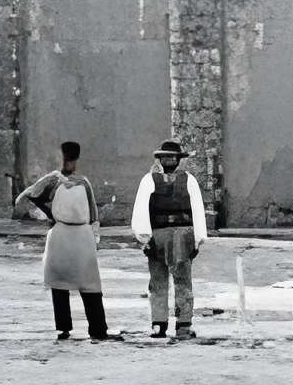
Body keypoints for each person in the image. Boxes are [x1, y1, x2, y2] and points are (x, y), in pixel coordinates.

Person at [17, 141, 113, 341]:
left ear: (76, 160)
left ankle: (98, 328)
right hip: (60, 235)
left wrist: (95, 235)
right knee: (59, 283)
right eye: (66, 158)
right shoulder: (53, 179)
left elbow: (93, 213)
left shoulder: (83, 182)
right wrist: (50, 213)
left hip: (82, 236)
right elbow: (28, 195)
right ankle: (63, 328)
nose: (69, 162)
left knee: (90, 284)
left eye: (71, 159)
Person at [127, 139, 208, 340]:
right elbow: (142, 210)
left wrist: (198, 239)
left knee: (173, 281)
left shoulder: (186, 180)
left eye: (171, 157)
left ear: (177, 159)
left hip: (175, 234)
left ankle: (175, 325)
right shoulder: (153, 180)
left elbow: (197, 210)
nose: (169, 160)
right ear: (162, 159)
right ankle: (166, 325)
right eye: (166, 157)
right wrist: (145, 237)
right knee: (164, 281)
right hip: (164, 235)